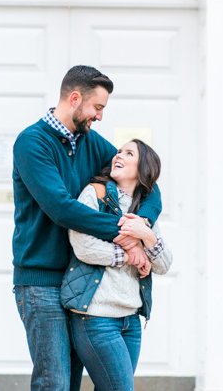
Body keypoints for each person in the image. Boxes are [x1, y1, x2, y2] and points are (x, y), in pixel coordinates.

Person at [12, 65, 162, 391]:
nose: (100, 117)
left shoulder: (90, 143)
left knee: (75, 384)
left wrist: (141, 227)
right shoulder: (32, 143)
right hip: (42, 281)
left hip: (82, 285)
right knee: (55, 383)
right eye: (98, 108)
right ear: (75, 99)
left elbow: (146, 182)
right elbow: (62, 208)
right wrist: (127, 237)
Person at [61, 139, 172, 391]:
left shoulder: (144, 210)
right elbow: (83, 247)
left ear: (143, 168)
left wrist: (148, 236)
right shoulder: (95, 193)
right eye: (119, 151)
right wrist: (132, 254)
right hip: (96, 317)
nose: (118, 156)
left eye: (128, 153)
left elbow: (164, 264)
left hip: (131, 321)